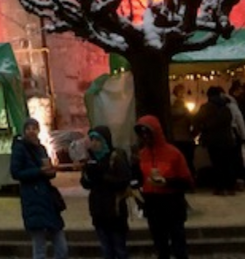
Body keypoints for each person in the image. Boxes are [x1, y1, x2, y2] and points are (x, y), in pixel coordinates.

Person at [135, 115, 194, 259]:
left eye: (148, 133)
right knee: (160, 246)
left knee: (178, 245)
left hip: (172, 204)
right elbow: (139, 179)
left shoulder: (173, 153)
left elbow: (188, 182)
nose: (145, 136)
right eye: (142, 133)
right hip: (153, 205)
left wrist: (166, 182)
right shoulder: (142, 155)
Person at [10, 117, 67, 259]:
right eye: (28, 128)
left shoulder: (41, 149)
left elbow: (47, 170)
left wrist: (50, 172)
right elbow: (15, 172)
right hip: (32, 198)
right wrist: (39, 172)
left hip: (47, 198)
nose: (31, 131)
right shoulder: (20, 149)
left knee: (61, 245)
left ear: (38, 130)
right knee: (39, 245)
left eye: (34, 128)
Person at [80, 126, 131, 259]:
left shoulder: (115, 157)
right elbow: (86, 184)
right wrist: (87, 173)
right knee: (106, 249)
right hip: (99, 211)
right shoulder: (91, 159)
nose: (94, 143)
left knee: (119, 249)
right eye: (92, 139)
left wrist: (103, 176)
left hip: (115, 211)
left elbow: (124, 181)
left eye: (97, 139)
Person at [194, 86, 235, 194]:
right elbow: (229, 120)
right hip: (227, 139)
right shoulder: (226, 107)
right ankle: (230, 186)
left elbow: (197, 120)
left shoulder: (206, 107)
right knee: (228, 163)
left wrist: (200, 130)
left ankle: (220, 187)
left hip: (213, 139)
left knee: (217, 163)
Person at [168, 84, 195, 174]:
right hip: (186, 138)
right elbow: (192, 122)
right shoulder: (186, 112)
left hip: (175, 139)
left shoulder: (169, 113)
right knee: (188, 161)